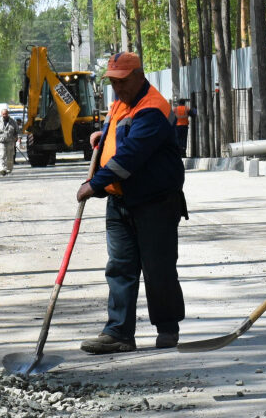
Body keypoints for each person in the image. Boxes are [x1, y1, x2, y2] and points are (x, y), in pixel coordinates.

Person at [76, 52, 187, 354]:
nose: (117, 88)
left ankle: (167, 329)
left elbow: (130, 157)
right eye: (112, 82)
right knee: (120, 268)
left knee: (158, 268)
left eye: (122, 81)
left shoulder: (152, 108)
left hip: (155, 202)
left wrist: (94, 184)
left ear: (138, 75)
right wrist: (104, 134)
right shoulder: (120, 104)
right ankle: (119, 333)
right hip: (121, 200)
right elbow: (120, 138)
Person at [0, 109, 19, 175]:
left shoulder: (13, 122)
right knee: (2, 155)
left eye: (5, 114)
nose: (4, 115)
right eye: (3, 114)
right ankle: (2, 169)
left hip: (10, 141)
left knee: (10, 156)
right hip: (1, 142)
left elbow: (17, 131)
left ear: (8, 114)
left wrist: (18, 138)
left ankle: (9, 169)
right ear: (1, 114)